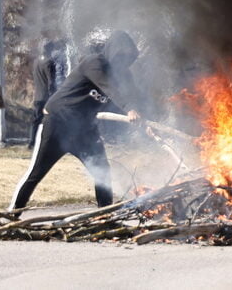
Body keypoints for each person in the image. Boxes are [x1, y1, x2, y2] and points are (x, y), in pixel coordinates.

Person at [9, 30, 146, 212]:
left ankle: (105, 215)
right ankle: (14, 212)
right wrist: (129, 108)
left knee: (102, 172)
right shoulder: (94, 63)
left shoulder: (123, 76)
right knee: (36, 173)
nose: (124, 63)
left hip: (85, 131)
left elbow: (135, 97)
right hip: (58, 124)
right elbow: (110, 88)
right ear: (113, 52)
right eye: (121, 57)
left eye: (128, 59)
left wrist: (145, 122)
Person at [30, 40, 63, 149]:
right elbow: (51, 82)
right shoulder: (49, 62)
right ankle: (51, 143)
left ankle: (32, 142)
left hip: (37, 96)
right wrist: (53, 96)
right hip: (46, 97)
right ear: (50, 49)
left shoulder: (36, 61)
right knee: (51, 120)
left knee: (36, 120)